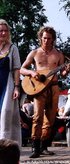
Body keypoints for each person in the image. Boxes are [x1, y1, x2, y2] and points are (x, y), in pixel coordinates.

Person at [20, 26, 70, 158]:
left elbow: (63, 74)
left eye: (49, 38)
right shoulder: (35, 53)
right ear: (40, 38)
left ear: (53, 39)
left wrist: (68, 69)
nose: (46, 41)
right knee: (37, 116)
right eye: (44, 38)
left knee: (51, 118)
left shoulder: (58, 54)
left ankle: (44, 146)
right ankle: (35, 147)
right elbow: (22, 69)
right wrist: (32, 72)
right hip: (39, 88)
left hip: (54, 87)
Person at [0, 19, 21, 147]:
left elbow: (16, 69)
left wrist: (17, 87)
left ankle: (5, 147)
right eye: (1, 31)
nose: (3, 33)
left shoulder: (13, 48)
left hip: (6, 86)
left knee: (5, 115)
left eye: (5, 31)